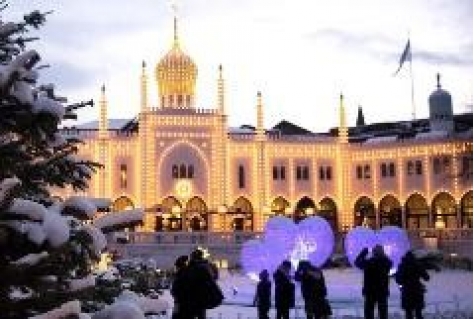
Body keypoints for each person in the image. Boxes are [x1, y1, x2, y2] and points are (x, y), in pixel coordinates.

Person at [355, 245, 393, 319]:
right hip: (382, 290)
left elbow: (357, 262)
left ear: (373, 253)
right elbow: (390, 263)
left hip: (370, 291)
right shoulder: (386, 263)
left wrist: (363, 253)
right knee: (383, 312)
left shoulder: (369, 263)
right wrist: (384, 255)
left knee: (369, 311)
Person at [186, 248, 223, 319]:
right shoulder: (208, 266)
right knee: (201, 313)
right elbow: (215, 277)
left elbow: (188, 280)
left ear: (193, 257)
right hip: (204, 295)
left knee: (194, 313)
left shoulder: (193, 267)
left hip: (194, 296)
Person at [395, 251, 430, 319]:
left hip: (406, 290)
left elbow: (398, 279)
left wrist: (403, 281)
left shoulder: (402, 265)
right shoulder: (418, 264)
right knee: (418, 312)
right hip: (417, 290)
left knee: (408, 313)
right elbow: (426, 277)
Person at [171, 255, 191, 319]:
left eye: (177, 266)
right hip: (185, 303)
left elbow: (176, 289)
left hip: (181, 303)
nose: (176, 268)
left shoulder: (181, 275)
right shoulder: (187, 273)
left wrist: (174, 293)